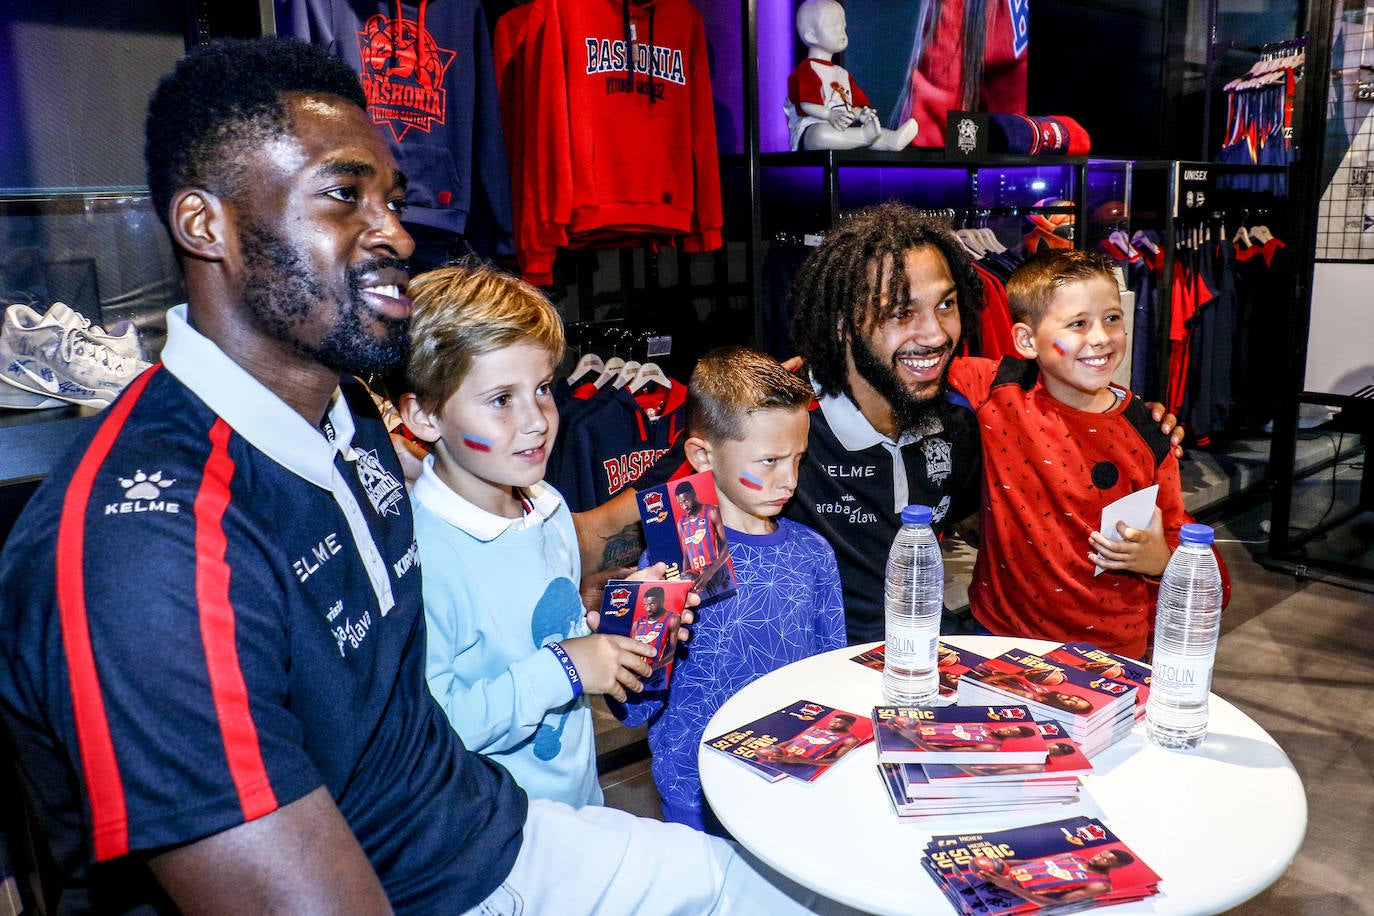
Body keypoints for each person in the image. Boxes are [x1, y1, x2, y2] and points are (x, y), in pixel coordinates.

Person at [0, 37, 815, 914]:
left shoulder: (343, 418)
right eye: (343, 195)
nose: (393, 231)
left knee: (795, 893)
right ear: (207, 225)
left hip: (485, 830)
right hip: (425, 889)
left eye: (390, 198)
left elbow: (513, 551)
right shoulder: (147, 546)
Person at [574, 202, 1184, 645]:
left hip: (933, 666)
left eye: (944, 304)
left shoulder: (964, 412)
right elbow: (599, 533)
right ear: (841, 324)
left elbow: (1049, 410)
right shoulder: (776, 425)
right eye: (899, 312)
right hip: (803, 687)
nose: (934, 332)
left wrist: (1139, 419)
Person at [395, 261, 660, 808]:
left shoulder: (549, 507)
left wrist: (613, 625)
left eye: (542, 388)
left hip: (578, 804)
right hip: (495, 834)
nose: (538, 419)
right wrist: (565, 667)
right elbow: (432, 731)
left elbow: (539, 632)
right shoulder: (423, 557)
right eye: (500, 400)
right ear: (424, 417)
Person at [612, 346, 845, 833]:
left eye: (798, 458)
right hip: (695, 795)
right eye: (768, 461)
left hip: (792, 786)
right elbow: (636, 705)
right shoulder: (670, 562)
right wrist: (631, 638)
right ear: (701, 455)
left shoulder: (814, 554)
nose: (788, 480)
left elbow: (831, 677)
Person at [946, 249, 1215, 659]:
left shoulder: (1149, 431)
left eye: (1112, 317)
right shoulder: (996, 389)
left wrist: (1161, 560)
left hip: (1111, 650)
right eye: (1077, 323)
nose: (1101, 337)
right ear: (1025, 340)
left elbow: (1181, 540)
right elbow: (913, 360)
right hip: (1000, 635)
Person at [786, 0, 919, 151]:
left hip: (841, 128)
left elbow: (852, 105)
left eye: (843, 27)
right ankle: (864, 136)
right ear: (811, 36)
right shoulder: (806, 70)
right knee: (819, 134)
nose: (842, 33)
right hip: (812, 127)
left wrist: (861, 114)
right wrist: (829, 115)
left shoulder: (842, 74)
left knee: (868, 133)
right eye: (833, 27)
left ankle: (891, 140)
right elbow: (806, 105)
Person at [973, 848, 1136, 905]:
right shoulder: (1071, 857)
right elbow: (1028, 862)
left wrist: (1008, 886)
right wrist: (998, 863)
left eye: (1106, 860)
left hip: (1009, 897)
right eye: (1101, 854)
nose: (1099, 858)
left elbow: (1054, 904)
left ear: (1117, 867)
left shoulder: (1100, 885)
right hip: (996, 878)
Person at [673, 477, 732, 597]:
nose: (684, 506)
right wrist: (684, 577)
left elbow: (728, 544)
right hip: (699, 581)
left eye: (686, 501)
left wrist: (710, 572)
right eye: (680, 504)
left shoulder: (712, 512)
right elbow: (686, 554)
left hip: (718, 574)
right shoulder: (682, 523)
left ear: (694, 495)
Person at [880, 716, 1038, 753]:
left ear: (1015, 738)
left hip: (911, 745)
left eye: (1010, 732)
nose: (1005, 730)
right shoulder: (981, 725)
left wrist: (912, 738)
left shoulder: (990, 746)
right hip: (906, 731)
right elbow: (946, 726)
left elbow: (944, 754)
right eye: (1009, 727)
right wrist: (917, 720)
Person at [753, 713, 862, 766]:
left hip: (801, 767)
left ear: (848, 725)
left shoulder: (851, 740)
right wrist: (774, 748)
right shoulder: (815, 729)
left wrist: (798, 760)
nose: (833, 724)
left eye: (837, 723)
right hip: (778, 758)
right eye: (832, 721)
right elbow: (792, 742)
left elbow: (836, 761)